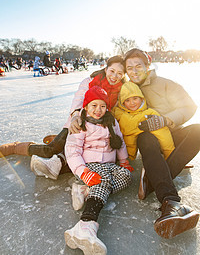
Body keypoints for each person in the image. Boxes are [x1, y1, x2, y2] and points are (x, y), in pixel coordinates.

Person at [124, 48, 200, 238]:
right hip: (147, 138)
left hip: (170, 133)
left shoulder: (166, 84)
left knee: (198, 130)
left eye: (138, 66)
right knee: (146, 138)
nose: (134, 71)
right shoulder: (127, 89)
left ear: (147, 65)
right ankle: (171, 202)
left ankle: (152, 179)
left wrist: (166, 120)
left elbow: (189, 106)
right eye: (129, 68)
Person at [17, 56, 125, 178]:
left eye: (119, 73)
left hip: (101, 129)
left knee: (91, 156)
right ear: (106, 69)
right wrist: (75, 117)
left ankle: (59, 161)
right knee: (51, 149)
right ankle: (17, 147)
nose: (114, 76)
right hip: (81, 121)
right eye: (112, 71)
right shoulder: (90, 81)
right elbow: (78, 100)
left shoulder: (123, 89)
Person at [64, 86, 133, 254]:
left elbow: (120, 141)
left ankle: (86, 191)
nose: (98, 110)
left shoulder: (111, 122)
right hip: (90, 164)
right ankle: (85, 225)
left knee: (126, 176)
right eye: (94, 105)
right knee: (102, 181)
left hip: (109, 163)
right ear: (86, 107)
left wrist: (123, 161)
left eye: (102, 106)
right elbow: (72, 150)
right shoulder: (81, 123)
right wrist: (83, 172)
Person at [112, 81, 175, 161]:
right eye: (127, 100)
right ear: (123, 103)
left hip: (147, 147)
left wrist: (169, 154)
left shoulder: (149, 113)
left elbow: (164, 134)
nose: (132, 103)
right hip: (123, 155)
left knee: (149, 138)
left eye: (135, 98)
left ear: (141, 99)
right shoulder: (119, 114)